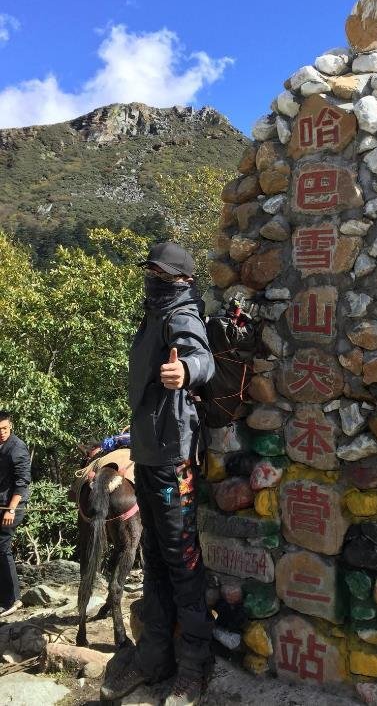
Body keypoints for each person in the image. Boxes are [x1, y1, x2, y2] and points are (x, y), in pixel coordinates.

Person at [101, 242, 215, 706]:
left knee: (182, 562)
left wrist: (186, 370)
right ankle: (154, 662)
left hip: (172, 459)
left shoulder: (181, 314)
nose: (155, 279)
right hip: (148, 454)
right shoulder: (152, 315)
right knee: (154, 556)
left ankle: (193, 667)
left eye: (164, 274)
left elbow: (201, 357)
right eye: (151, 271)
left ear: (183, 280)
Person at [0, 411, 31, 617]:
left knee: (2, 547)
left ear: (10, 426)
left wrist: (11, 509)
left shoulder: (17, 447)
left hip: (13, 506)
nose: (2, 432)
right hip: (1, 503)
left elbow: (22, 481)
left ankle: (13, 599)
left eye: (4, 428)